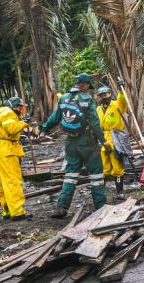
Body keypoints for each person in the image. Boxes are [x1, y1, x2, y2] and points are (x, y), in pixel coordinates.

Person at [39, 73, 109, 218]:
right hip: (87, 141)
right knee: (96, 174)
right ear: (85, 85)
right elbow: (95, 123)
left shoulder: (64, 98)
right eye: (88, 86)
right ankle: (101, 206)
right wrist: (104, 141)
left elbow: (55, 117)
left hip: (70, 141)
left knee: (70, 175)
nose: (88, 89)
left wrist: (43, 129)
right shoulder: (87, 99)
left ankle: (62, 207)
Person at [0, 97, 31, 221]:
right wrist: (24, 122)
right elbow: (12, 129)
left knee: (4, 182)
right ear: (13, 106)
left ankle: (7, 210)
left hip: (2, 149)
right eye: (19, 107)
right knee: (13, 181)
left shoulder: (2, 113)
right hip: (7, 150)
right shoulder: (9, 113)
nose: (20, 109)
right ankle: (17, 212)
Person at [96, 81, 128, 200]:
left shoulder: (116, 104)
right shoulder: (98, 109)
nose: (104, 97)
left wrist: (120, 91)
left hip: (115, 137)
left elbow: (123, 102)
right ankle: (101, 193)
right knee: (104, 166)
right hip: (103, 138)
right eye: (101, 95)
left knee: (117, 166)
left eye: (106, 94)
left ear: (110, 94)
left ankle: (120, 191)